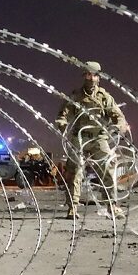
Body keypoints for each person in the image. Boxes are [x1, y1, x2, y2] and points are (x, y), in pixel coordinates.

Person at [55, 61, 128, 220]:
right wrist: (62, 124)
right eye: (88, 75)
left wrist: (119, 126)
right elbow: (63, 114)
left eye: (94, 75)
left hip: (99, 138)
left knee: (107, 170)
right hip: (79, 138)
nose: (91, 78)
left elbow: (118, 116)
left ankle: (112, 206)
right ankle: (72, 208)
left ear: (98, 77)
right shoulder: (75, 95)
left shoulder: (105, 97)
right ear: (84, 76)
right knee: (74, 172)